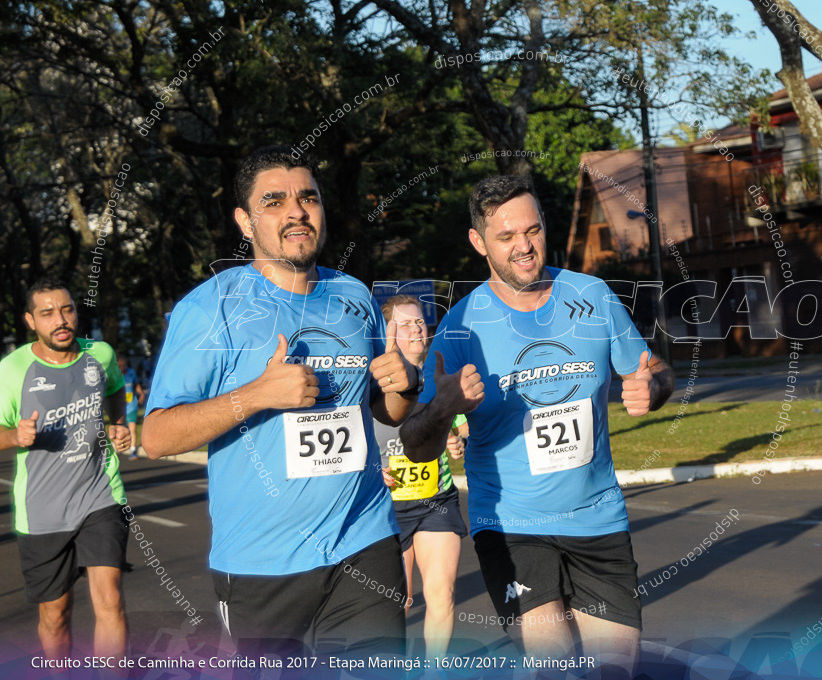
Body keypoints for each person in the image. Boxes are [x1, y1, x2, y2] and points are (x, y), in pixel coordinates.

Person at [141, 146, 421, 659]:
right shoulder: (210, 309)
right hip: (260, 565)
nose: (296, 211)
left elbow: (382, 414)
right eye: (274, 201)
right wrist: (256, 396)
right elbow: (156, 437)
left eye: (307, 198)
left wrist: (406, 386)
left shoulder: (355, 297)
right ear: (245, 222)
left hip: (363, 540)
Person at [400, 175, 675, 675]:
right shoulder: (460, 328)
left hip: (598, 518)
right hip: (512, 526)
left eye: (533, 230)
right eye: (506, 238)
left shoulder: (592, 296)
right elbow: (415, 445)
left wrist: (654, 388)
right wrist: (442, 409)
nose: (524, 247)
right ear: (478, 242)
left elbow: (652, 369)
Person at [0, 278, 131, 659]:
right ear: (30, 321)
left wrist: (117, 423)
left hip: (100, 494)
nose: (61, 320)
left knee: (110, 600)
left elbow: (114, 390)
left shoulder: (100, 354)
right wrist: (14, 437)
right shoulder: (12, 371)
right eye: (47, 313)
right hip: (42, 510)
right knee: (56, 616)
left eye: (67, 309)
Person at [375, 295, 468, 659]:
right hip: (387, 509)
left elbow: (458, 430)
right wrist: (371, 471)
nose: (416, 327)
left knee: (441, 594)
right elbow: (353, 443)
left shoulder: (438, 376)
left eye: (419, 322)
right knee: (399, 602)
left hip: (436, 502)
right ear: (387, 335)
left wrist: (455, 442)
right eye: (405, 323)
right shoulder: (372, 383)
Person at [117, 356, 146, 459]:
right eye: (120, 366)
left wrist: (141, 394)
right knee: (120, 427)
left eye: (124, 365)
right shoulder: (115, 374)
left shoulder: (131, 372)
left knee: (132, 428)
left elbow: (136, 385)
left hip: (131, 405)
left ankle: (133, 450)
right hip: (119, 406)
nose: (122, 368)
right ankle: (119, 446)